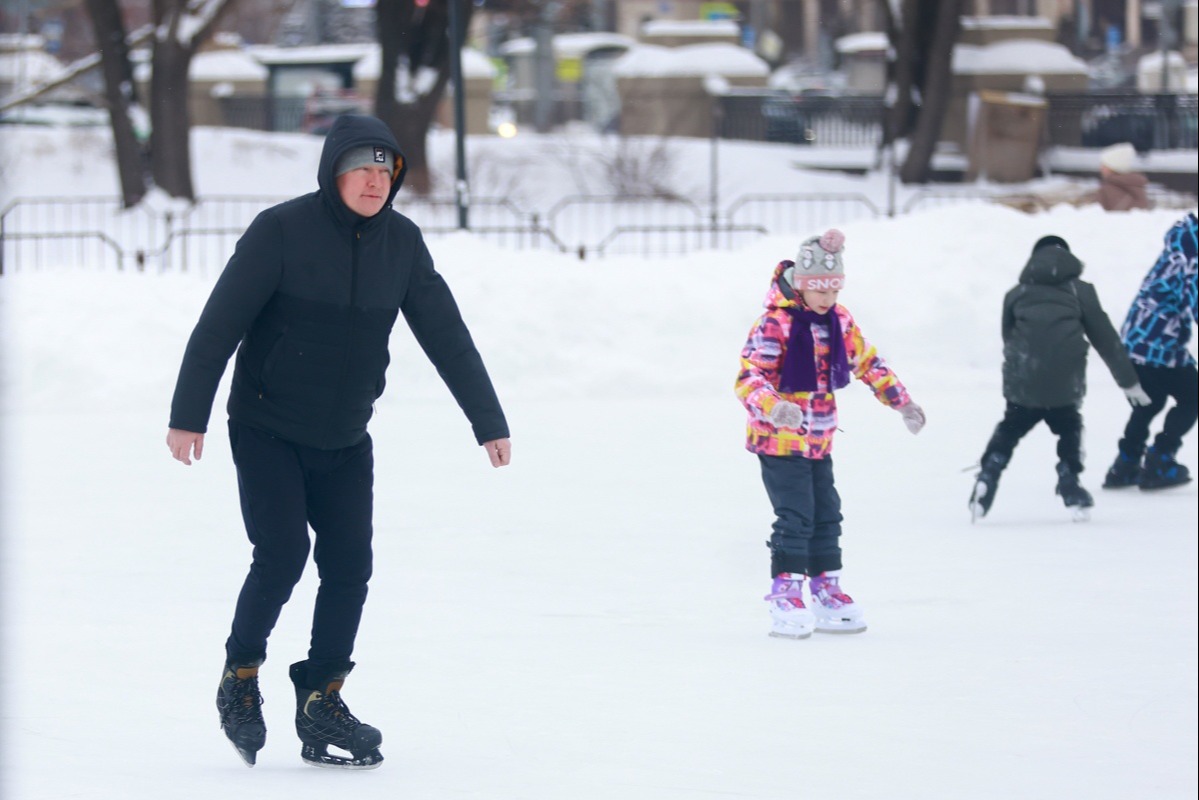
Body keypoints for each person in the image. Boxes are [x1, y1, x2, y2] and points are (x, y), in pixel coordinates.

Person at [166, 114, 511, 769]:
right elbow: (218, 327)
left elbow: (446, 335)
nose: (374, 182)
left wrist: (487, 421)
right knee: (283, 554)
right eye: (361, 169)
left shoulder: (401, 244)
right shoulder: (281, 231)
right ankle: (241, 675)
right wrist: (190, 414)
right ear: (332, 173)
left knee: (350, 566)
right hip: (267, 425)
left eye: (386, 171)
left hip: (346, 436)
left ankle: (321, 694)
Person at [735, 229, 925, 640]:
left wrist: (901, 402)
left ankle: (826, 587)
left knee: (827, 514)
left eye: (834, 291)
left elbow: (868, 362)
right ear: (801, 286)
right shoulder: (776, 323)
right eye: (820, 291)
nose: (828, 299)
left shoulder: (838, 320)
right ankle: (786, 591)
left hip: (819, 439)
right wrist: (776, 408)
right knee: (796, 515)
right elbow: (749, 378)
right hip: (779, 438)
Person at [968, 235, 1150, 521]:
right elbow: (1106, 339)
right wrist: (1129, 381)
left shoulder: (1016, 293)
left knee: (1011, 427)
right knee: (1069, 427)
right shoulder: (1080, 291)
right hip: (1065, 384)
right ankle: (1070, 482)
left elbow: (1008, 336)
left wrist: (1023, 368)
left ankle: (988, 474)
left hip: (1023, 380)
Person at [1103, 211, 1198, 490]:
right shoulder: (1194, 246)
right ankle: (1160, 458)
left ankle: (1126, 463)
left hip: (1141, 335)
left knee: (1150, 401)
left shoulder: (1186, 237)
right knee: (1193, 396)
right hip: (1157, 339)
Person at [1096, 142, 1150, 212]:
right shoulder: (1137, 186)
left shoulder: (1108, 190)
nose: (1101, 168)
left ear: (1113, 167)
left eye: (1104, 165)